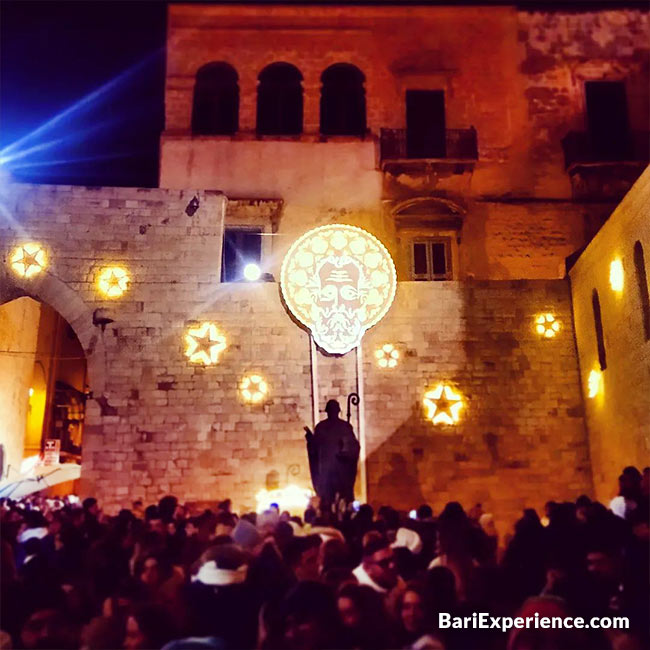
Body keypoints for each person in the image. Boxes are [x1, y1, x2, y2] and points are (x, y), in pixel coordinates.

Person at [305, 399, 360, 512]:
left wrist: (346, 452)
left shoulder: (345, 427)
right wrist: (310, 439)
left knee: (341, 496)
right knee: (328, 497)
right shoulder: (322, 427)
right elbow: (315, 448)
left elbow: (353, 446)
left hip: (340, 468)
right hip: (327, 470)